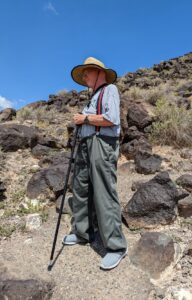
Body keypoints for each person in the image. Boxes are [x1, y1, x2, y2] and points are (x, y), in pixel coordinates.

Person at [63, 57, 127, 270]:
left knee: (104, 192)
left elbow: (111, 119)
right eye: (83, 74)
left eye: (87, 72)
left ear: (99, 72)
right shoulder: (91, 99)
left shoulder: (110, 90)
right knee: (81, 189)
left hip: (102, 144)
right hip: (86, 145)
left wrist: (85, 119)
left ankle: (116, 247)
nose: (84, 77)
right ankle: (83, 233)